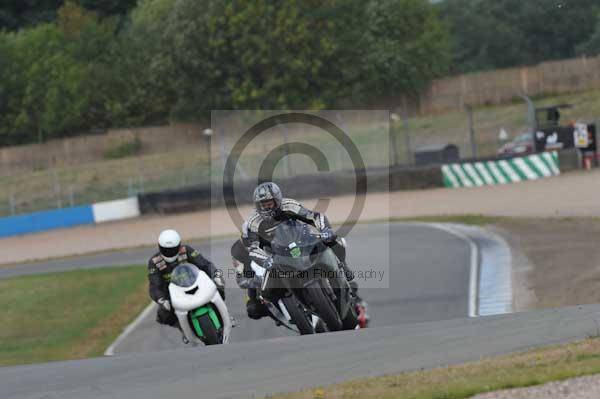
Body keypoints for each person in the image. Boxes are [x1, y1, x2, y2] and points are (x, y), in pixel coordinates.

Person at [232, 182, 369, 326]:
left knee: (336, 242)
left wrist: (325, 230)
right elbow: (253, 249)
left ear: (277, 200)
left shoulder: (289, 205)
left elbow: (315, 216)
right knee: (266, 293)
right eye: (262, 205)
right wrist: (266, 261)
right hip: (275, 256)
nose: (266, 207)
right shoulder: (253, 223)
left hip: (302, 242)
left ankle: (344, 270)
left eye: (269, 203)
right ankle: (286, 309)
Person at [148, 229, 225, 329]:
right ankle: (182, 327)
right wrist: (161, 299)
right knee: (163, 314)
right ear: (160, 247)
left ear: (179, 245)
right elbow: (154, 284)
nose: (170, 253)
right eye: (166, 250)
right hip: (172, 293)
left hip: (195, 283)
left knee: (218, 287)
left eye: (173, 249)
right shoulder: (154, 261)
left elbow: (204, 264)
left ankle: (224, 313)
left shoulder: (186, 250)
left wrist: (215, 275)